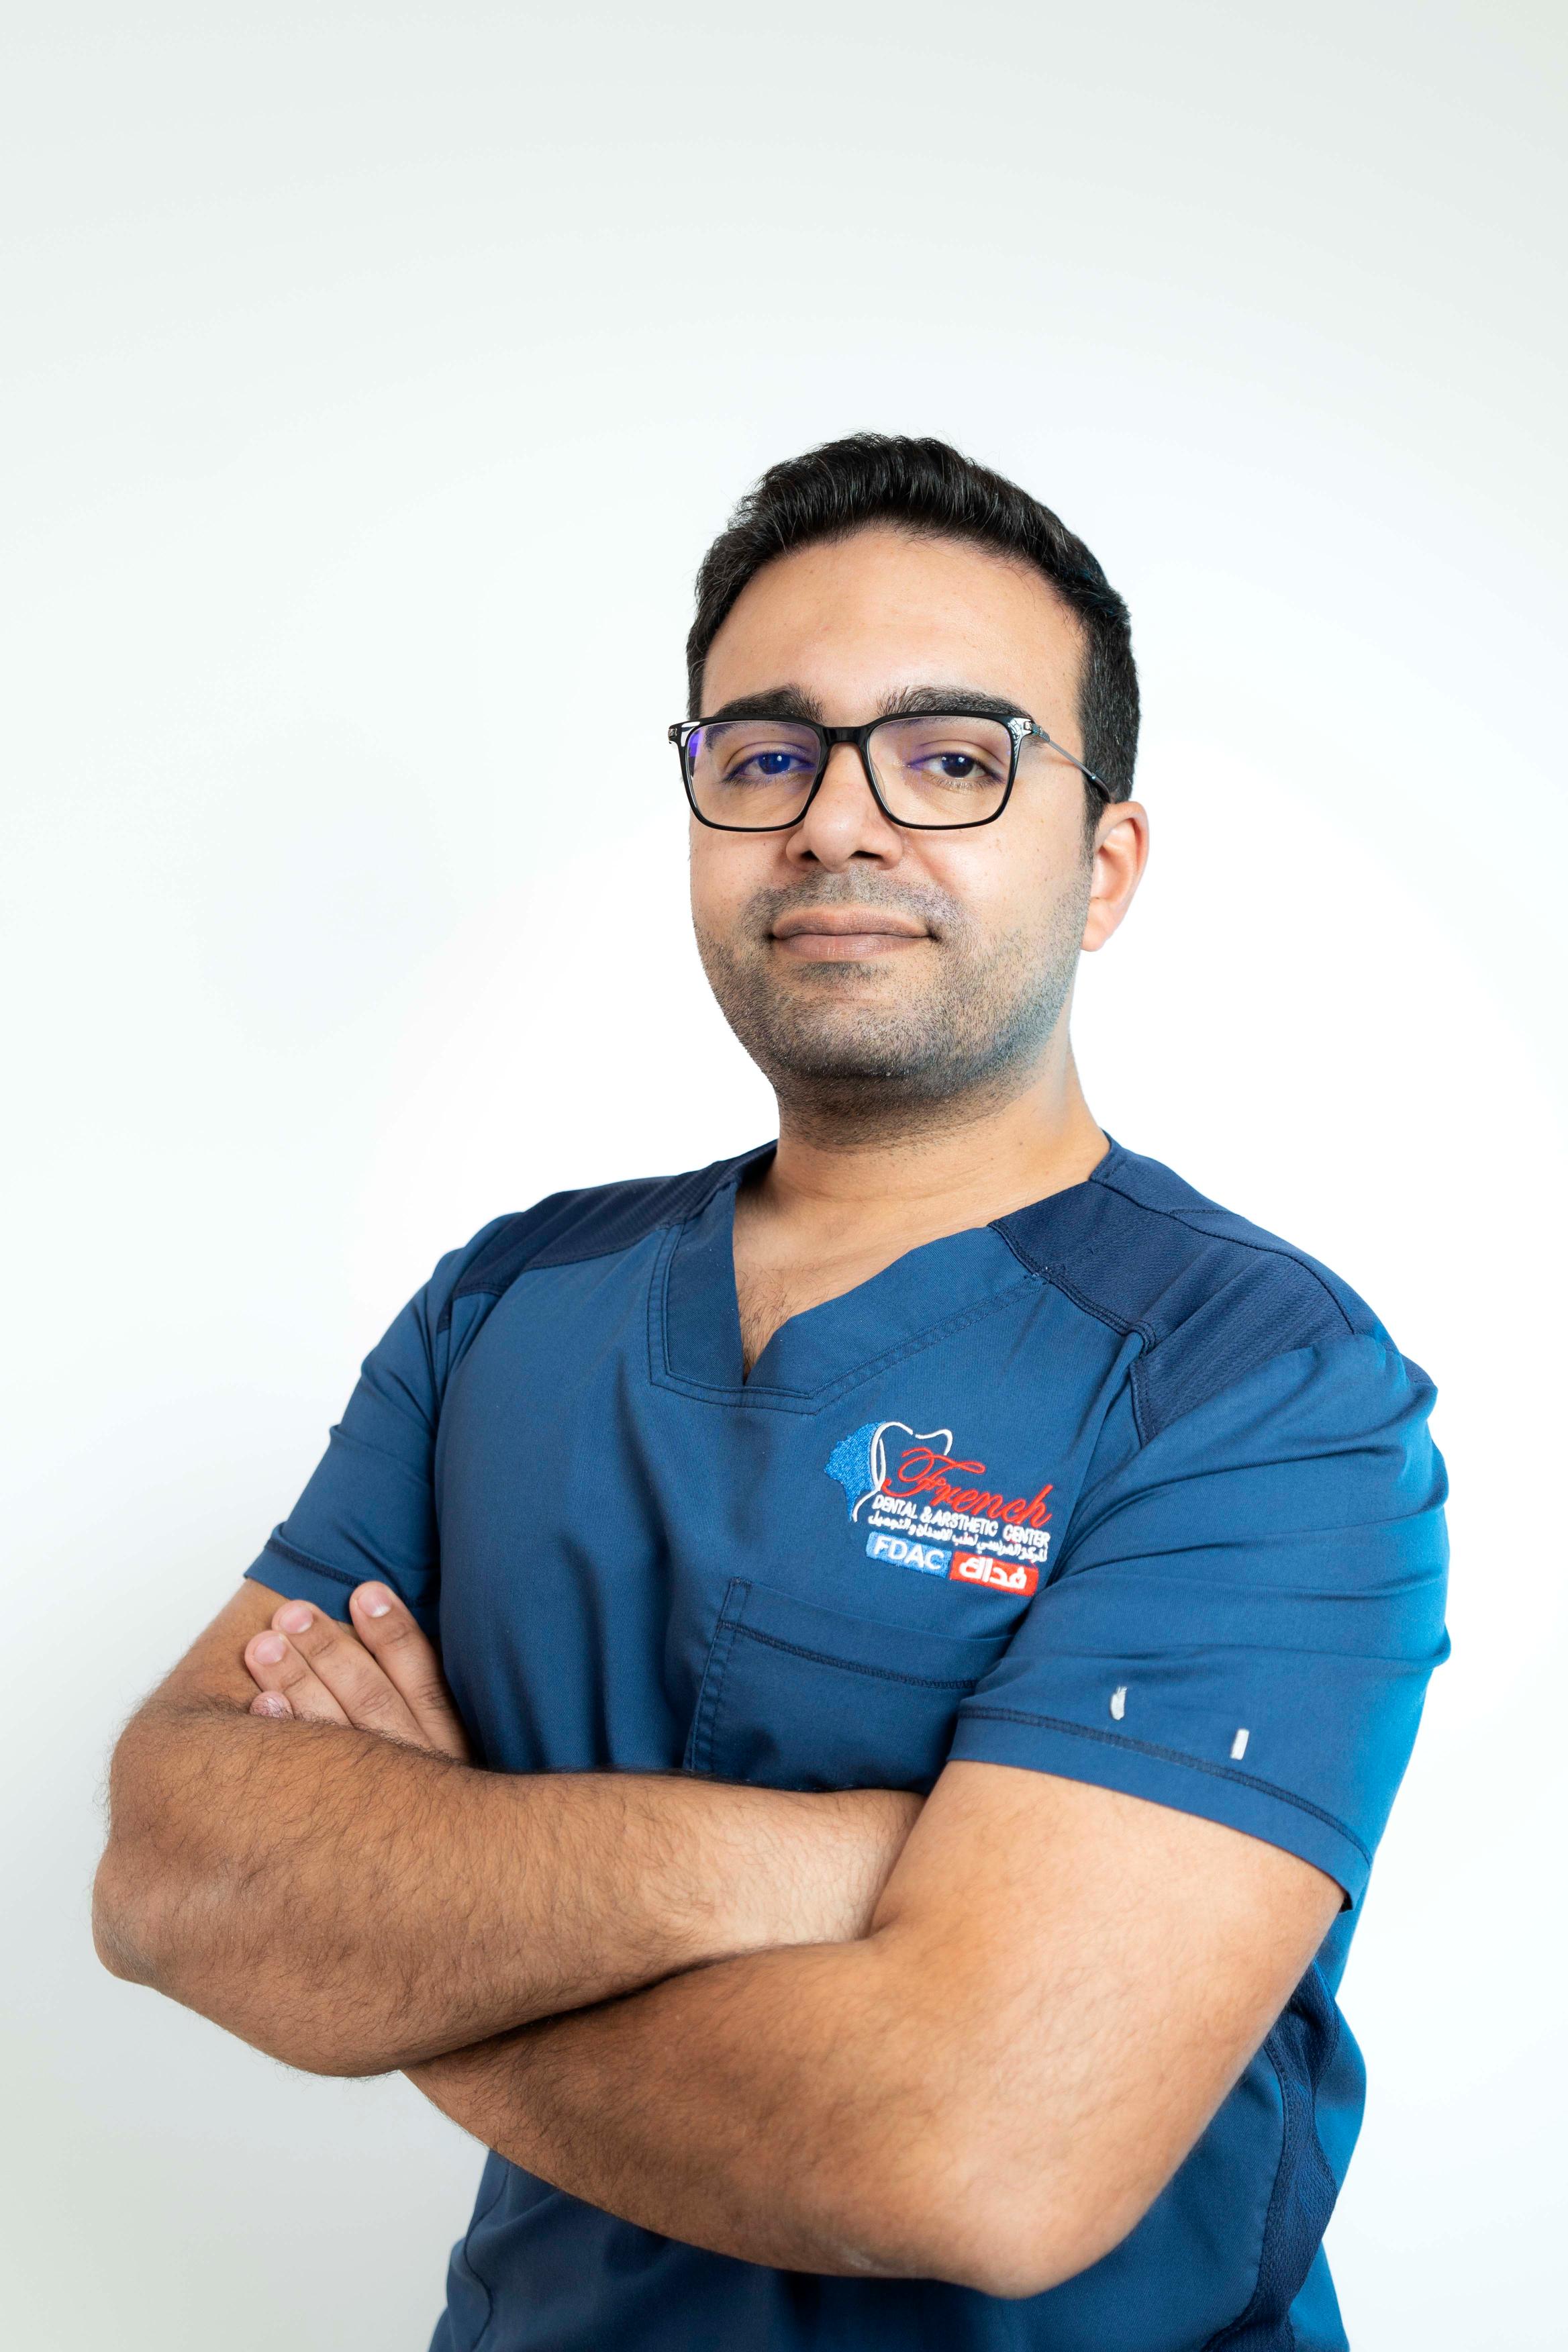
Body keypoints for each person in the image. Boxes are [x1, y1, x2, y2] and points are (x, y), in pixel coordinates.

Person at [94, 434, 1450, 2352]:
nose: (834, 824)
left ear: (1104, 868)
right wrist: (834, 1868)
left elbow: (975, 2158)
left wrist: (395, 1959)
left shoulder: (1264, 1391)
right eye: (765, 756)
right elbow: (172, 1871)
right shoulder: (507, 1305)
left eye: (953, 757)